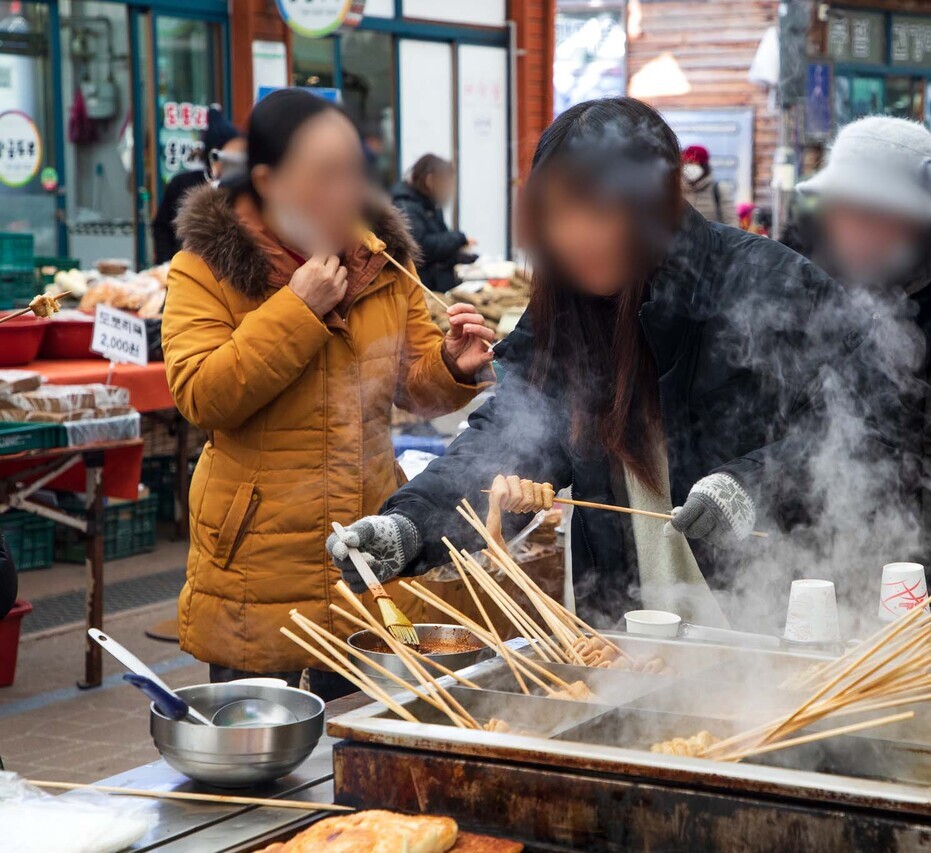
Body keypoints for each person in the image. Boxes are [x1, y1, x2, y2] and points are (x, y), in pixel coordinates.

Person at [328, 97, 868, 626]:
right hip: (627, 627)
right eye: (557, 215)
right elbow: (508, 442)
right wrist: (411, 526)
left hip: (772, 619)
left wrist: (750, 485)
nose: (574, 237)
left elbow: (859, 429)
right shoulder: (566, 312)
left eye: (600, 212)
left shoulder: (769, 284)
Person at [162, 89, 495, 698]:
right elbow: (201, 395)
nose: (348, 190)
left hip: (367, 549)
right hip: (260, 566)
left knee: (365, 752)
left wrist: (451, 365)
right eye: (325, 173)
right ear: (268, 179)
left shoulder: (381, 262)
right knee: (270, 759)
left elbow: (412, 387)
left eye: (354, 170)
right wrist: (298, 308)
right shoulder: (204, 266)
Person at [798, 116, 931, 585]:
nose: (855, 230)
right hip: (792, 549)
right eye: (844, 209)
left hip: (895, 554)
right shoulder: (792, 277)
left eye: (876, 215)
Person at [152, 109, 245, 264]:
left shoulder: (241, 185)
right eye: (233, 150)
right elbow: (162, 228)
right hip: (184, 268)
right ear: (215, 152)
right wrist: (167, 262)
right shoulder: (182, 184)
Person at [391, 155, 475, 294]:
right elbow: (422, 247)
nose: (448, 189)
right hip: (425, 288)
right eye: (445, 182)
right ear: (430, 180)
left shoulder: (431, 204)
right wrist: (459, 238)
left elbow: (441, 237)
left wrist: (462, 256)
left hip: (437, 285)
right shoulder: (405, 205)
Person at [680, 145, 732, 226]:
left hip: (711, 237)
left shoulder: (718, 189)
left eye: (694, 163)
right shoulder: (676, 190)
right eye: (687, 163)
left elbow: (731, 222)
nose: (689, 167)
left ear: (704, 165)